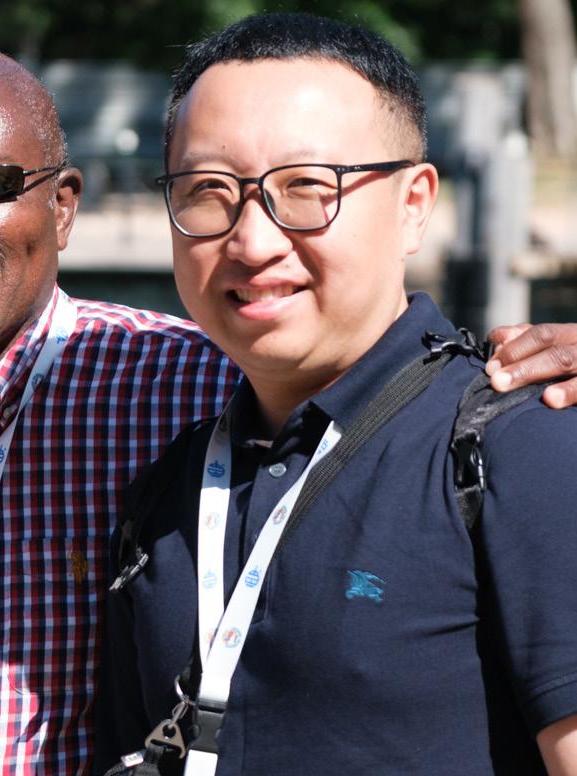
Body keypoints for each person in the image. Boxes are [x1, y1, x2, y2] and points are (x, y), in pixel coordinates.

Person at [95, 13, 577, 776]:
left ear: (413, 204)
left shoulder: (526, 443)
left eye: (307, 188)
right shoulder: (167, 491)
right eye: (208, 192)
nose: (253, 241)